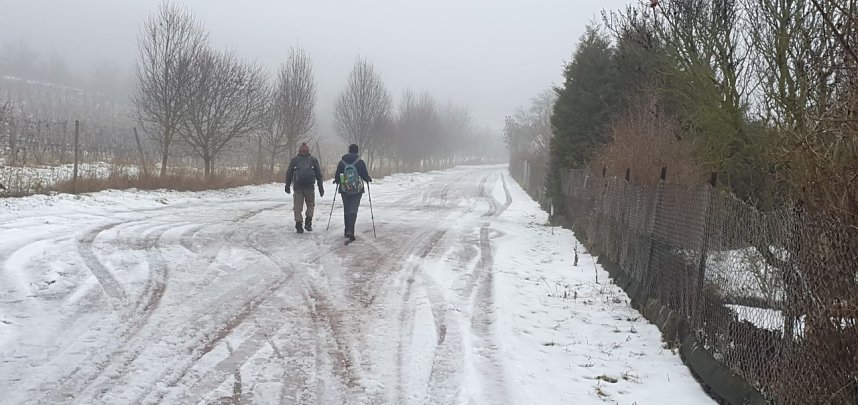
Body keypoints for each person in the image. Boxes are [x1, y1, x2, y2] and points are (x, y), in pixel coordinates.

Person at [333, 144, 372, 242]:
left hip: (344, 189)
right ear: (357, 151)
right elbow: (364, 175)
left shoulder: (342, 162)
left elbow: (338, 176)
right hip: (357, 189)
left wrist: (337, 181)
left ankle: (346, 231)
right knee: (353, 210)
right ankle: (351, 231)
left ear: (349, 151)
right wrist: (368, 179)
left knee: (346, 209)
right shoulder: (360, 162)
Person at [284, 143, 324, 233]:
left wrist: (287, 185)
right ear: (308, 151)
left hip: (298, 187)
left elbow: (289, 173)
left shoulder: (295, 160)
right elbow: (319, 174)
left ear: (299, 151)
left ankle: (299, 225)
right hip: (310, 187)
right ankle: (308, 222)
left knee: (297, 206)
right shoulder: (313, 160)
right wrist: (320, 187)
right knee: (310, 204)